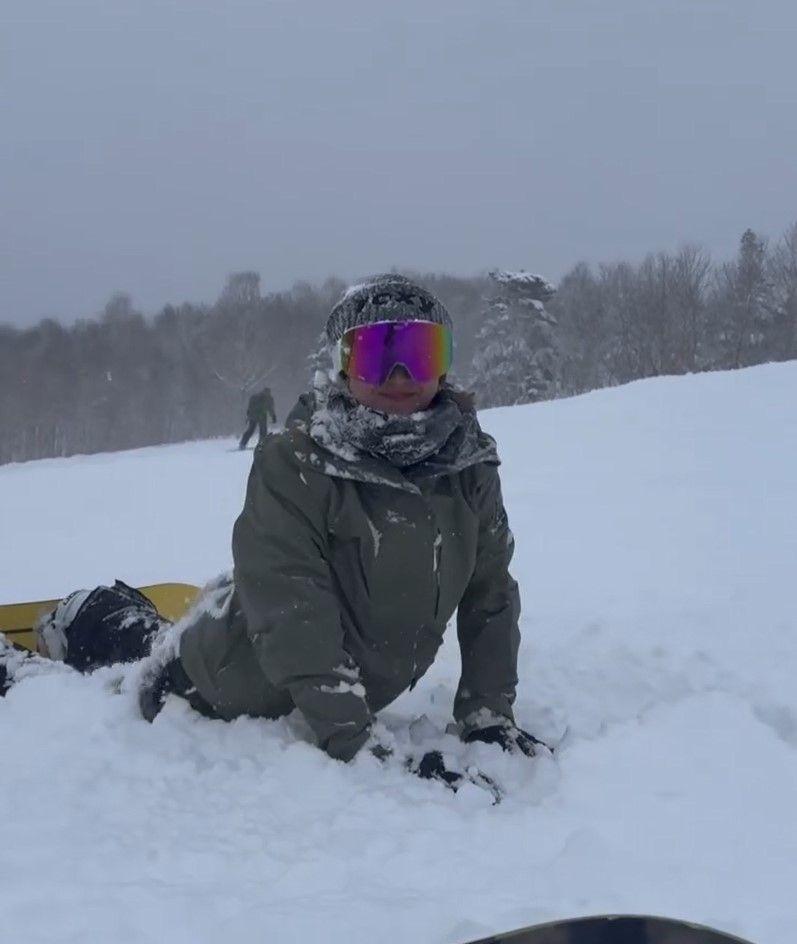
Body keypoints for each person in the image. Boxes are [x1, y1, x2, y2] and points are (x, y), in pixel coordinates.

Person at [141, 274, 546, 784]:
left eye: (419, 352)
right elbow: (294, 617)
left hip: (305, 670)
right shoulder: (295, 464)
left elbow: (491, 595)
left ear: (443, 366)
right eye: (376, 354)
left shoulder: (468, 465)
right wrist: (362, 746)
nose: (399, 374)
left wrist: (488, 713)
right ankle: (85, 620)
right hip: (217, 686)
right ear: (343, 367)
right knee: (133, 644)